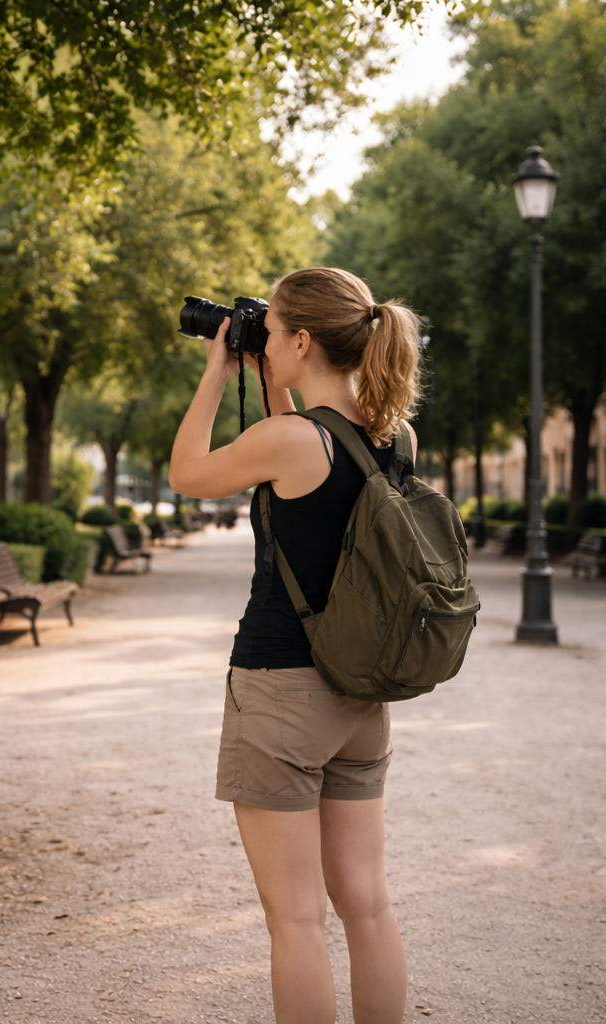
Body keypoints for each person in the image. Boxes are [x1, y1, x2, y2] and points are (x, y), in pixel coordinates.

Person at [169, 267, 422, 1024]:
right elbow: (313, 447)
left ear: (304, 339)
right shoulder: (393, 438)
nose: (262, 342)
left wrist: (218, 372)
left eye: (272, 332)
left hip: (280, 693)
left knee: (297, 919)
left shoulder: (284, 439)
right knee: (367, 907)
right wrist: (273, 377)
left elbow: (187, 473)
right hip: (359, 695)